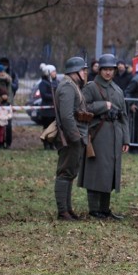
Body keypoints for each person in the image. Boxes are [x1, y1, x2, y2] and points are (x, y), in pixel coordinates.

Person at [80, 53, 130, 219]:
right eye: (105, 69)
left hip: (115, 133)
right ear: (100, 70)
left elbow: (124, 116)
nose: (108, 72)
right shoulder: (91, 87)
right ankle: (94, 209)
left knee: (110, 172)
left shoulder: (118, 90)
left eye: (111, 69)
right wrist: (103, 105)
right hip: (98, 133)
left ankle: (105, 209)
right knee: (97, 171)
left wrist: (126, 139)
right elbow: (82, 107)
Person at [52, 56, 91, 221]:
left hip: (75, 136)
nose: (85, 72)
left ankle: (68, 210)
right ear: (75, 71)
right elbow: (67, 117)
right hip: (71, 138)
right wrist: (76, 138)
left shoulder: (73, 85)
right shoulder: (68, 87)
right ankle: (63, 211)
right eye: (83, 70)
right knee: (65, 173)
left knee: (70, 173)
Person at [38, 64, 59, 149]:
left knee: (53, 128)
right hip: (46, 111)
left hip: (54, 110)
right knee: (46, 127)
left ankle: (52, 143)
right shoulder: (43, 83)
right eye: (53, 71)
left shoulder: (56, 82)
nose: (55, 73)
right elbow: (44, 95)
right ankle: (46, 144)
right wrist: (54, 96)